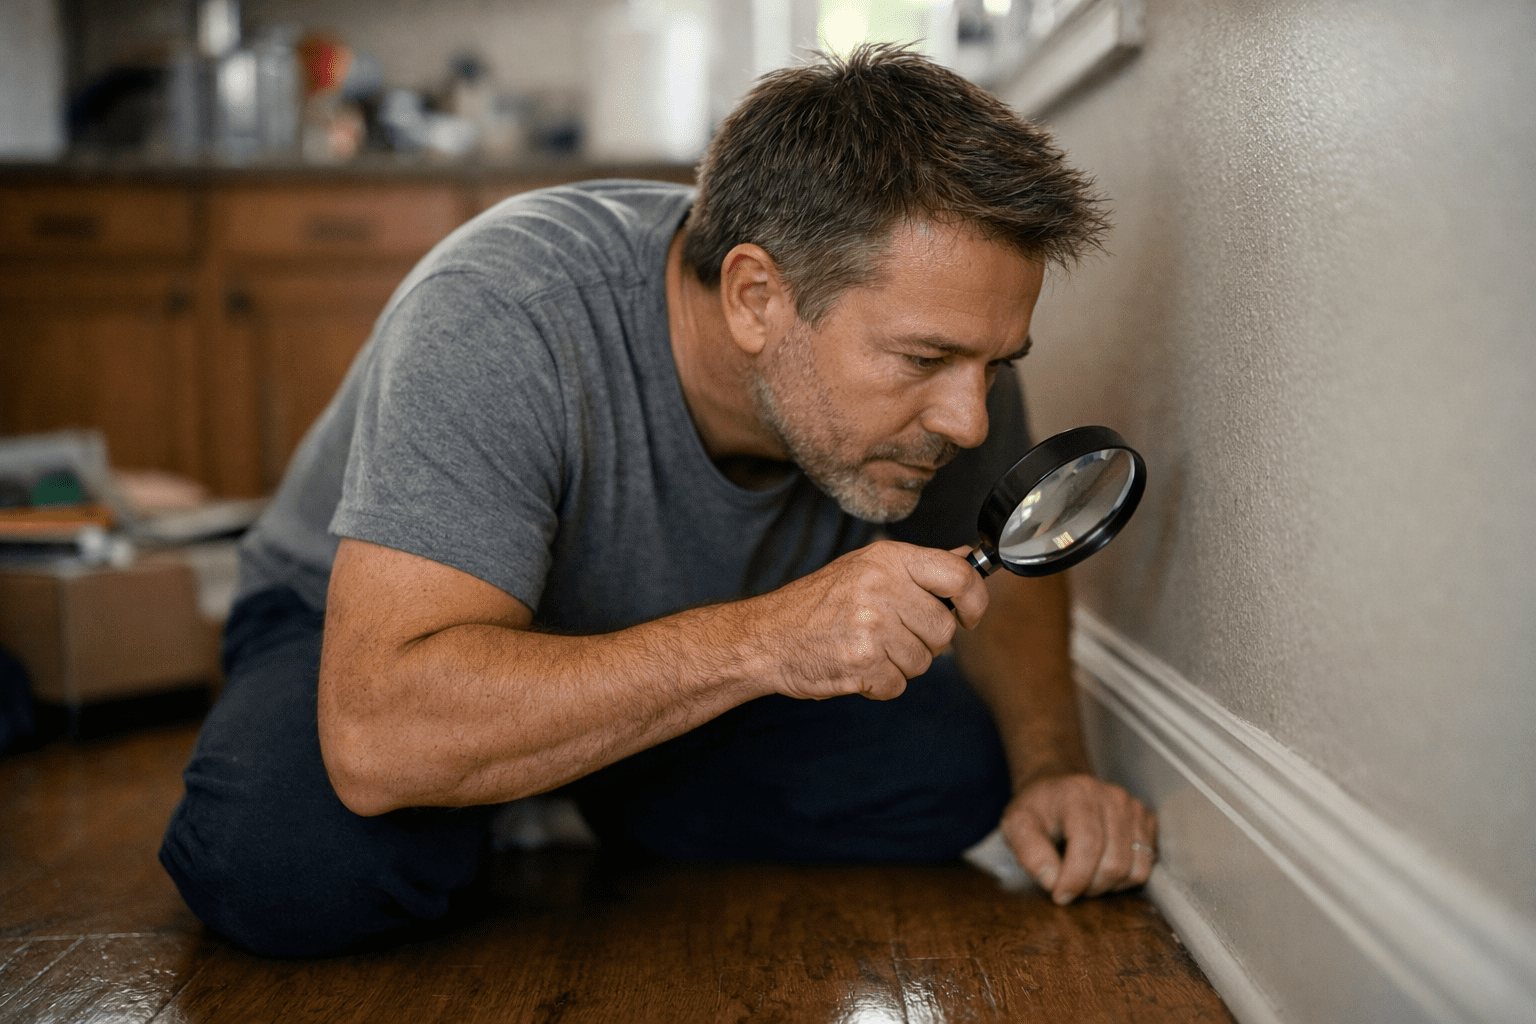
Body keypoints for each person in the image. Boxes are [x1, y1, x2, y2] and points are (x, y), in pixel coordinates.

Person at [160, 44, 1157, 958]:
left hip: (681, 656)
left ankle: (567, 774)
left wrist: (1052, 767)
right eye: (927, 361)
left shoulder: (954, 354)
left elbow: (1011, 558)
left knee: (953, 768)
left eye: (994, 364)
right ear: (756, 297)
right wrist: (770, 641)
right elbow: (377, 733)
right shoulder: (505, 312)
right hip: (375, 641)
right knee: (286, 857)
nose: (971, 419)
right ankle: (515, 780)